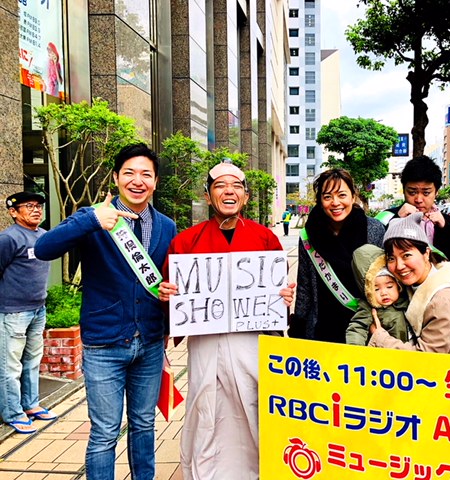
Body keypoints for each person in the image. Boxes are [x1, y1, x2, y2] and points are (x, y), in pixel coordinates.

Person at [35, 144, 177, 480]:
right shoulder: (93, 217)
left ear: (155, 182)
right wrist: (92, 221)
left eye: (146, 174)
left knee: (144, 425)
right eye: (129, 173)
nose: (137, 181)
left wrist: (170, 301)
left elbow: (171, 278)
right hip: (104, 344)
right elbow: (43, 248)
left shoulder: (166, 226)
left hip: (150, 343)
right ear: (116, 178)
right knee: (104, 433)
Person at [158, 161, 295, 480]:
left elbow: (276, 295)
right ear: (208, 196)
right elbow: (173, 300)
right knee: (206, 404)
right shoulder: (186, 242)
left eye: (236, 186)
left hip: (252, 341)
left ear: (246, 196)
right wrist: (167, 295)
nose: (228, 191)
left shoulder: (265, 238)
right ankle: (205, 471)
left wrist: (284, 297)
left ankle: (258, 470)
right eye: (220, 185)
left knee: (253, 402)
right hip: (205, 342)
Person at [288, 168, 385, 343]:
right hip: (321, 328)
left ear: (353, 197)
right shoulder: (309, 235)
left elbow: (385, 280)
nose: (335, 203)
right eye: (327, 197)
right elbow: (304, 287)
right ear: (319, 200)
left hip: (364, 328)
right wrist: (299, 326)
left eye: (342, 195)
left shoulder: (374, 229)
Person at [369, 212, 450, 353]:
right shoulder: (409, 286)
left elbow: (427, 357)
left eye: (406, 255)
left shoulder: (441, 300)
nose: (399, 266)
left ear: (426, 253)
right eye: (391, 258)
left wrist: (380, 338)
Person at [0, 191, 56, 435]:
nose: (36, 210)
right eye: (29, 206)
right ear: (13, 211)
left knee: (32, 361)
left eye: (39, 206)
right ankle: (13, 413)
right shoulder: (8, 238)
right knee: (10, 366)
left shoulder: (44, 236)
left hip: (38, 309)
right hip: (13, 313)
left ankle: (31, 405)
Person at [377, 156, 450, 267]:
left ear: (436, 192)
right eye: (412, 192)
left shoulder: (445, 221)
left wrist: (445, 228)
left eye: (426, 193)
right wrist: (397, 220)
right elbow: (377, 255)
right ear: (404, 190)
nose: (419, 200)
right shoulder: (388, 216)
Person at [346, 244, 410, 346]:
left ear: (398, 285)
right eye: (376, 289)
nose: (384, 293)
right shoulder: (368, 308)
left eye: (389, 286)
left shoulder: (408, 300)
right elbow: (357, 328)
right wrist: (355, 350)